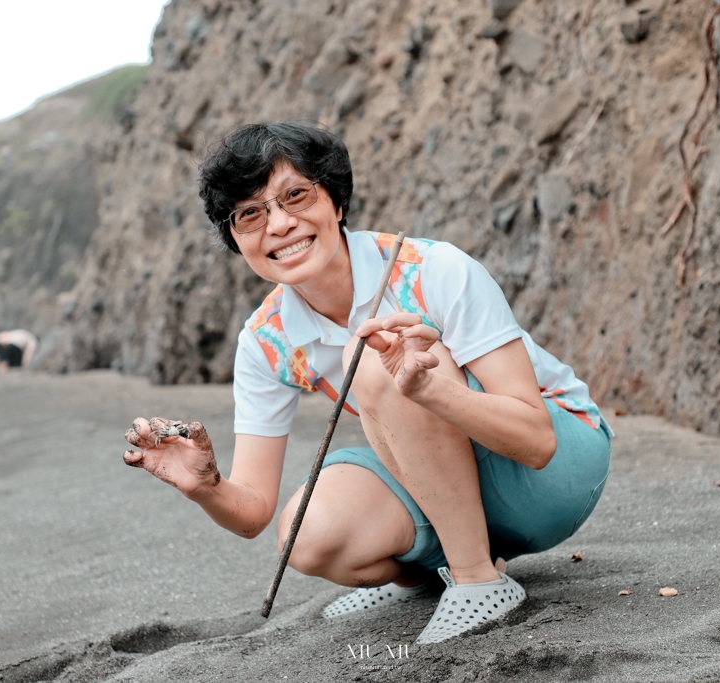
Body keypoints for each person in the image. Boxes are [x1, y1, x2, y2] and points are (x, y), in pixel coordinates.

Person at [122, 122, 612, 644]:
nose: (281, 224)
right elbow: (253, 516)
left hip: (556, 465)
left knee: (377, 359)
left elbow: (537, 442)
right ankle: (432, 572)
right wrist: (205, 487)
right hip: (456, 483)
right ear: (236, 237)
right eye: (251, 213)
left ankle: (477, 581)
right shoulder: (266, 341)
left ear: (335, 201)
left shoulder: (433, 269)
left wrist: (432, 391)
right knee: (307, 533)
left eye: (296, 196)